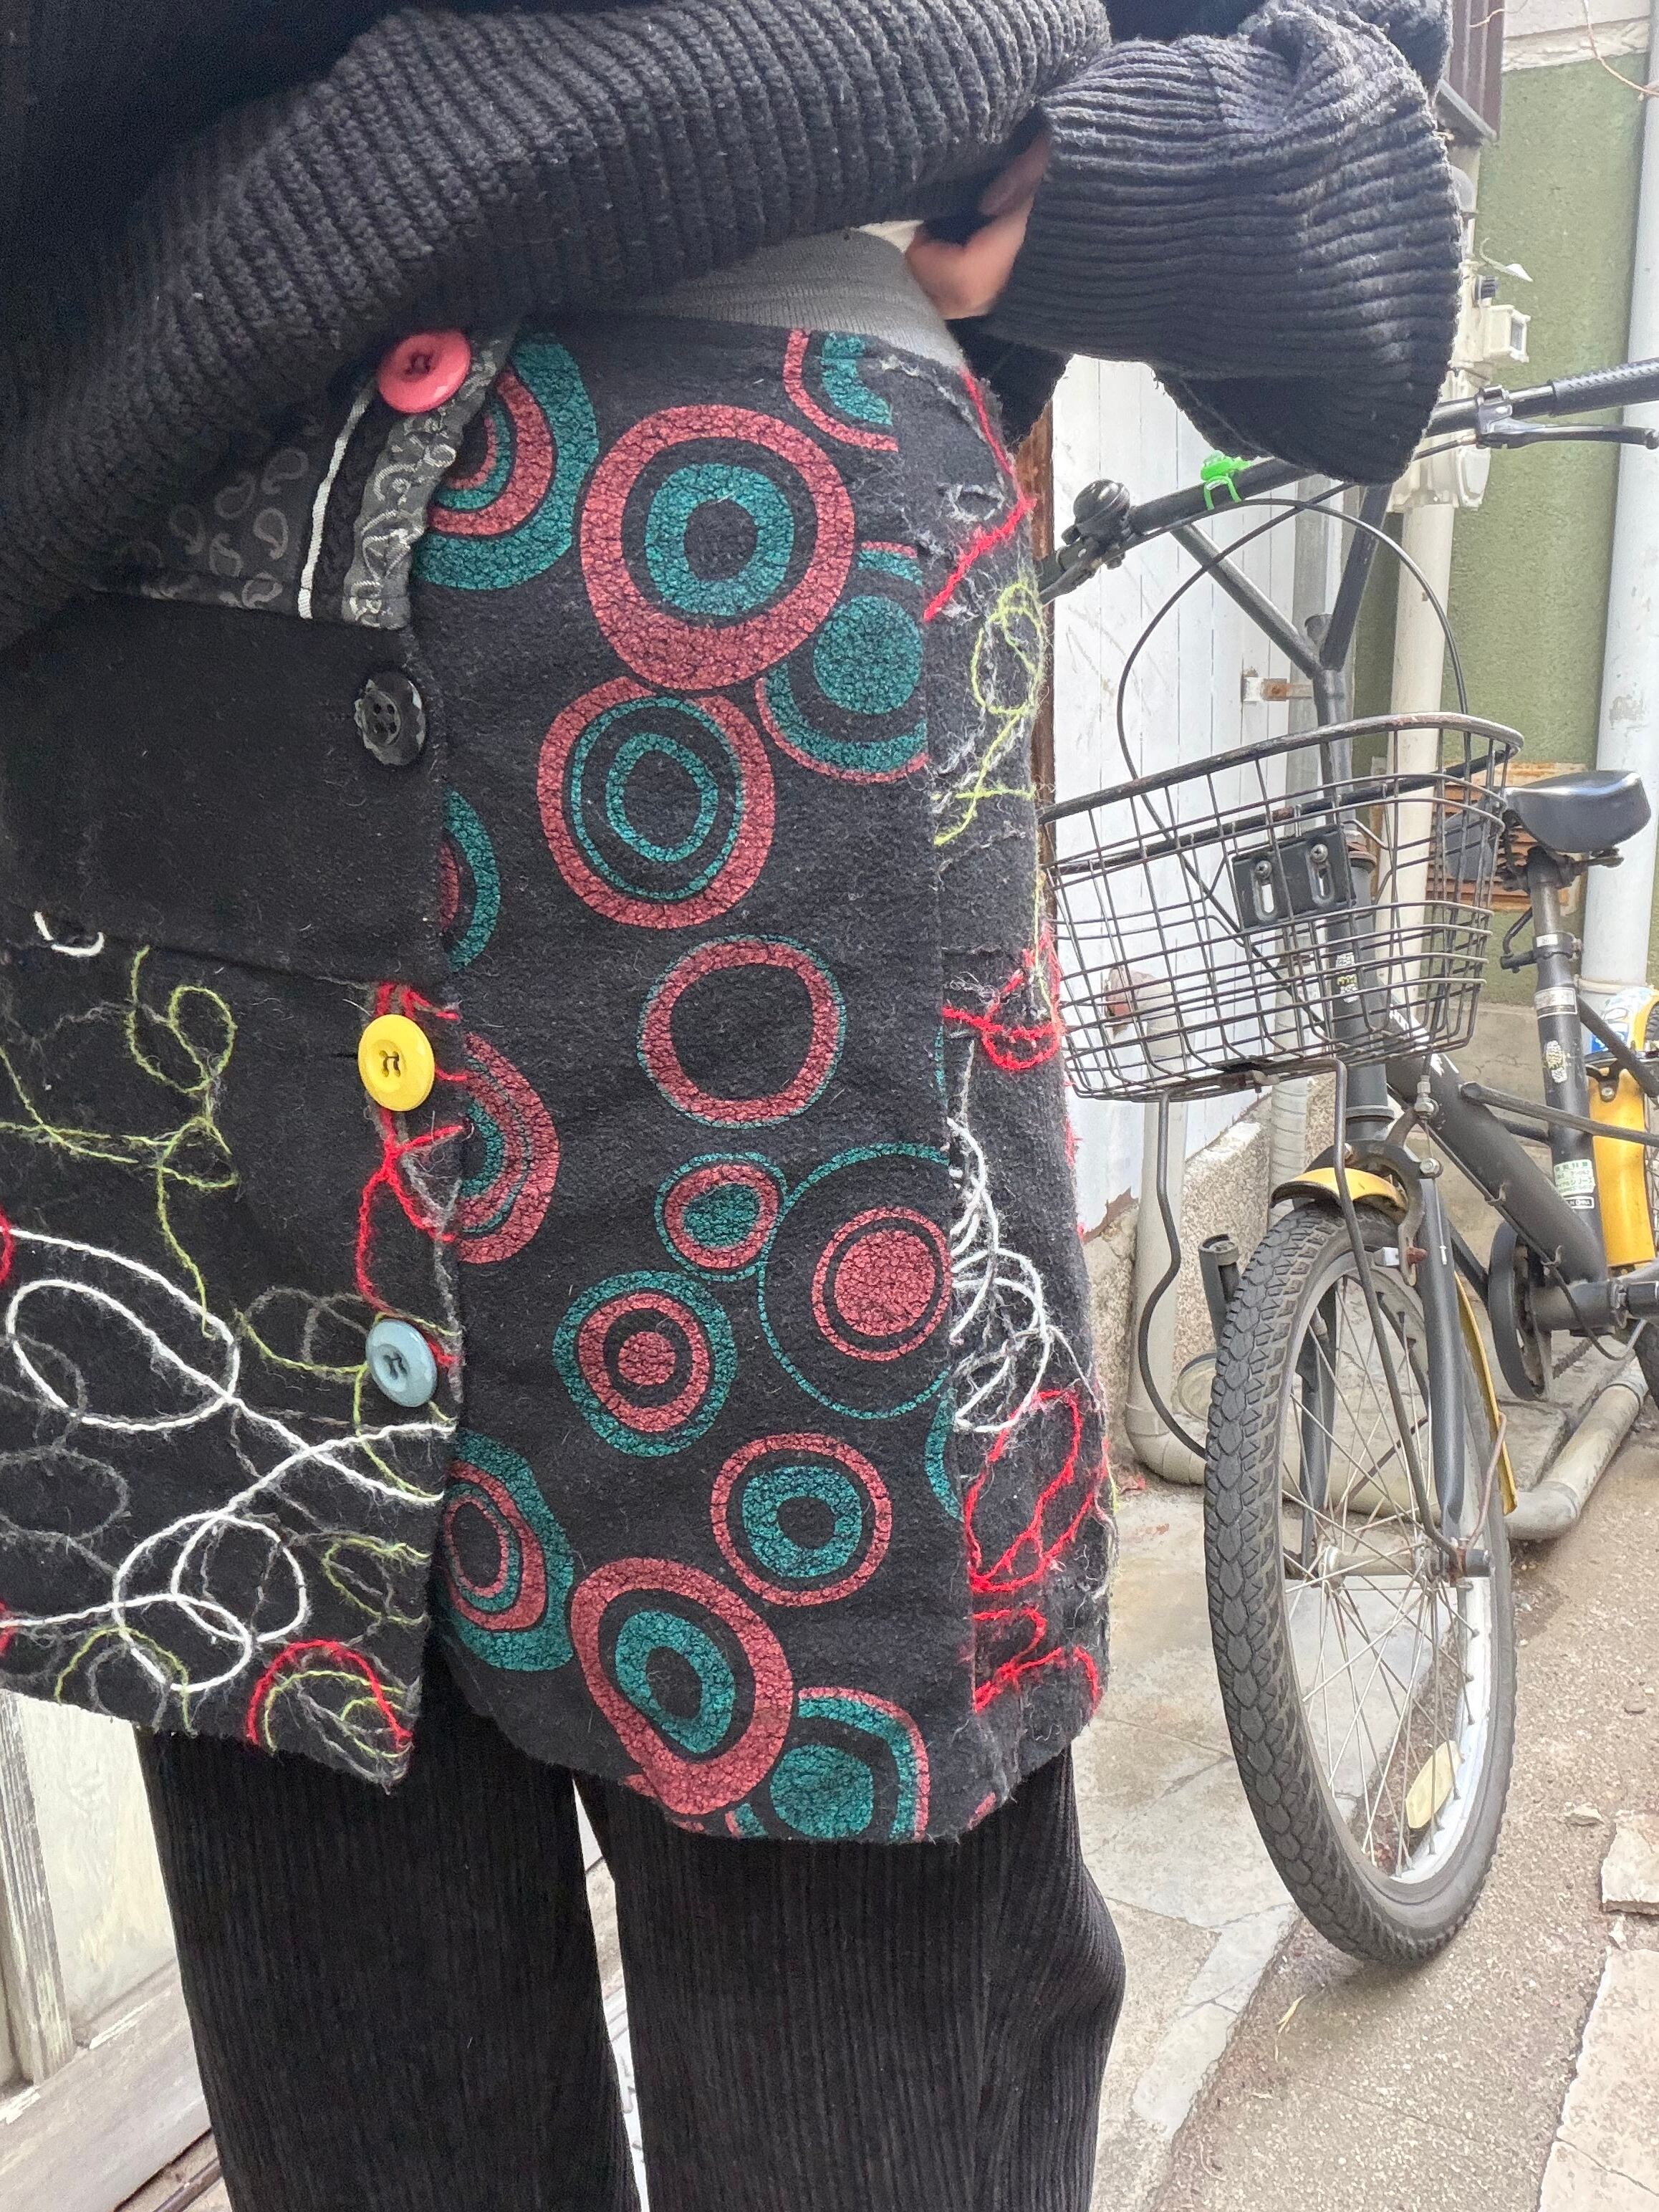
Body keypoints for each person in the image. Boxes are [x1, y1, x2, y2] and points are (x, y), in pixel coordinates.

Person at [0, 3, 1457, 2206]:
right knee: (354, 1845)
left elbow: (1337, 94)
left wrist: (1105, 169)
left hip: (705, 632)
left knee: (819, 1872)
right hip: (215, 651)